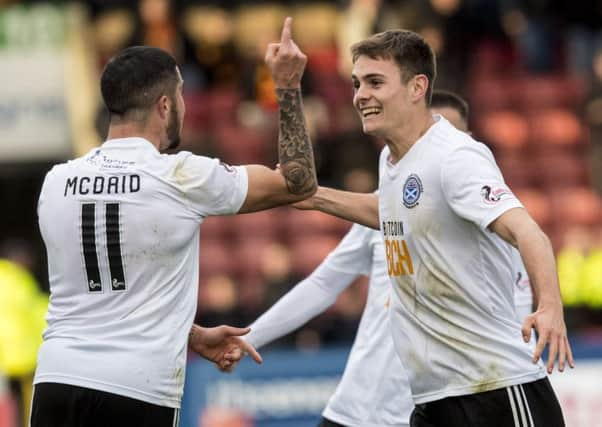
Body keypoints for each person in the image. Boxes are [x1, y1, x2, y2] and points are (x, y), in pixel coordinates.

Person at [276, 31, 573, 427]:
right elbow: (390, 209)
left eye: (375, 82)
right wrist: (316, 195)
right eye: (357, 83)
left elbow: (529, 232)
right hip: (434, 398)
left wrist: (550, 307)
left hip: (497, 391)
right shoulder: (393, 159)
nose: (360, 95)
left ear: (418, 87)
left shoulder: (455, 157)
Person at [31, 17, 316, 427]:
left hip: (57, 380)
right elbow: (298, 182)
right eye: (180, 95)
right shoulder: (180, 176)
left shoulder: (55, 182)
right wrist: (286, 87)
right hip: (138, 388)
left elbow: (104, 294)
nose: (183, 105)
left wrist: (193, 334)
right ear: (165, 105)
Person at [213, 92, 534, 427]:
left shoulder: (493, 232)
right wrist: (250, 337)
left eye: (446, 135)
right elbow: (324, 284)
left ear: (466, 143)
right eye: (426, 133)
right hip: (353, 409)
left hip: (428, 410)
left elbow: (517, 330)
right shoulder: (385, 208)